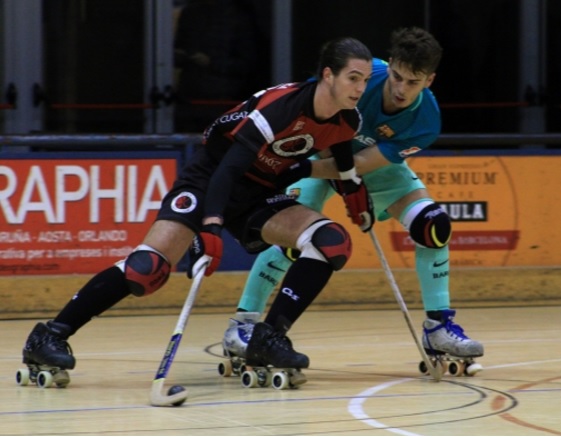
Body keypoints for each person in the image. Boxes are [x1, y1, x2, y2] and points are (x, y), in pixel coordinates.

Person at [21, 37, 374, 375]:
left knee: (330, 241)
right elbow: (228, 170)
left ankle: (268, 338)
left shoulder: (348, 118)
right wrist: (211, 227)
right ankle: (50, 334)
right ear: (328, 75)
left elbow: (341, 151)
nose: (359, 89)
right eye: (353, 78)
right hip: (210, 179)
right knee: (146, 269)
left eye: (365, 81)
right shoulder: (281, 109)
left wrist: (352, 187)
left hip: (259, 192)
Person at [222, 27, 484, 366]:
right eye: (397, 77)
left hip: (369, 168)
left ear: (429, 80)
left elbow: (361, 164)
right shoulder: (361, 76)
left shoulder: (427, 121)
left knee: (434, 226)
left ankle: (438, 328)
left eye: (413, 82)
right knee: (292, 240)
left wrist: (348, 182)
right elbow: (315, 114)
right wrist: (306, 169)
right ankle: (243, 325)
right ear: (389, 64)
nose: (401, 89)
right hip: (316, 155)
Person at [173, 0, 261, 132]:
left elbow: (247, 64)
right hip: (189, 98)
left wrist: (211, 62)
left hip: (222, 99)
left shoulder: (238, 17)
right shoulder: (191, 13)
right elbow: (178, 49)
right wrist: (180, 56)